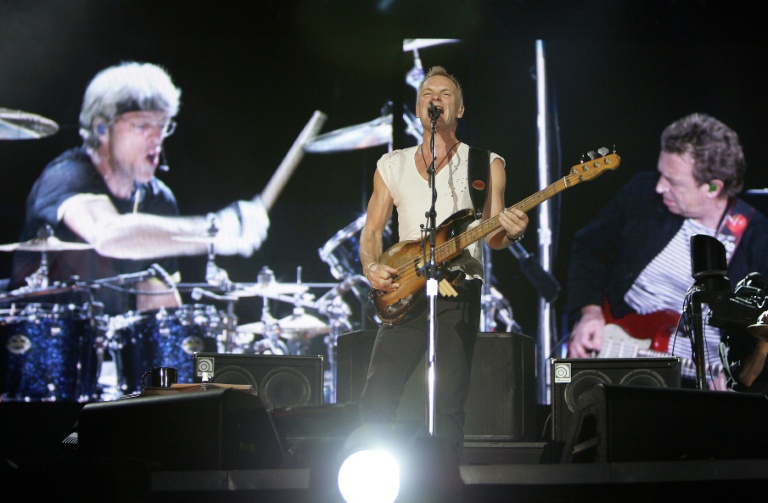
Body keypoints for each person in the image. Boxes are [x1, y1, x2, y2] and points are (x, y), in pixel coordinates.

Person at [358, 66, 529, 456]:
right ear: (419, 108)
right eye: (427, 93)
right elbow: (371, 233)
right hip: (405, 287)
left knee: (447, 401)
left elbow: (495, 235)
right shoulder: (392, 165)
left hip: (458, 290)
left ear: (461, 109)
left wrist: (513, 230)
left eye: (445, 94)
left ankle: (444, 484)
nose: (435, 98)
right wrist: (371, 267)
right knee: (378, 394)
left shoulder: (486, 164)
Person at [9, 62, 269, 316]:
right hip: (33, 350)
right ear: (101, 128)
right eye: (143, 125)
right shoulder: (67, 175)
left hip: (107, 354)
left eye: (163, 125)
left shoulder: (158, 199)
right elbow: (109, 235)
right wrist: (215, 230)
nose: (157, 139)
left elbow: (157, 300)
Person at [566, 113, 768, 389]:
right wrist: (590, 312)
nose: (660, 187)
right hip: (620, 355)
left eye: (673, 181)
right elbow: (589, 247)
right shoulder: (643, 193)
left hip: (698, 384)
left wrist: (742, 375)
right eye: (661, 174)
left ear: (712, 187)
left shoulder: (758, 241)